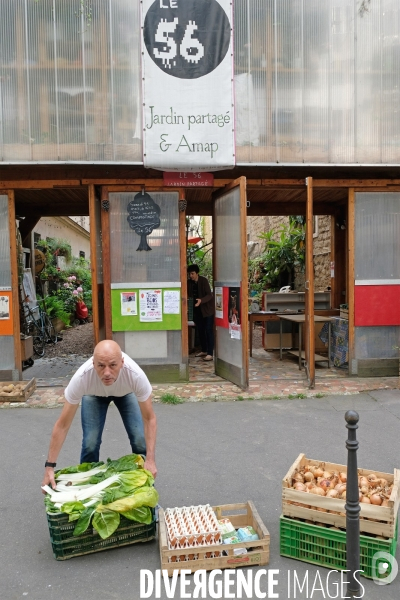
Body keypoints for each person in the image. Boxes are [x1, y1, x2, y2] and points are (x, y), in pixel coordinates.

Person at [42, 339, 157, 490]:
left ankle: (144, 486)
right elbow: (62, 425)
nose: (107, 373)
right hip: (93, 394)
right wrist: (49, 467)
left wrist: (151, 459)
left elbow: (149, 419)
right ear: (93, 364)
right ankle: (87, 486)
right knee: (90, 443)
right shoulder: (82, 378)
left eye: (113, 365)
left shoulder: (135, 375)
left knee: (139, 439)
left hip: (125, 393)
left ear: (122, 362)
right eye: (101, 366)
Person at [187, 264, 214, 361]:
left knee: (208, 330)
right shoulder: (189, 283)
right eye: (190, 274)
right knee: (201, 330)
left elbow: (210, 295)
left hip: (207, 310)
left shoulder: (204, 280)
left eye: (192, 274)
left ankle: (210, 353)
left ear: (197, 273)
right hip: (197, 311)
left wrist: (201, 300)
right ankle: (204, 350)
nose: (191, 276)